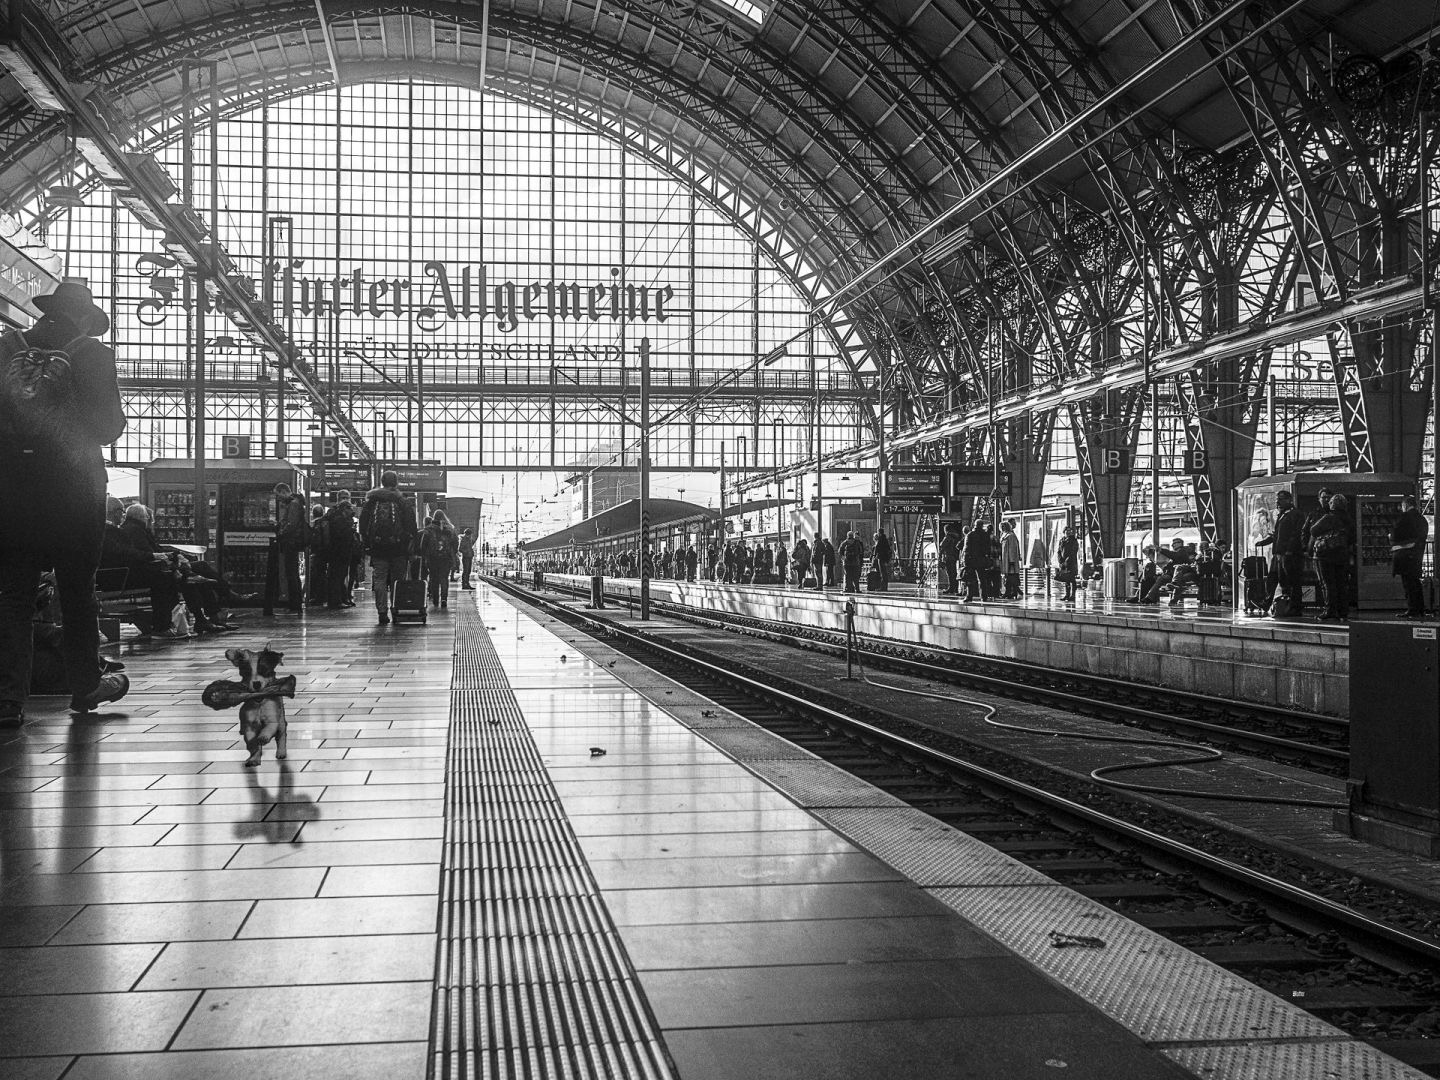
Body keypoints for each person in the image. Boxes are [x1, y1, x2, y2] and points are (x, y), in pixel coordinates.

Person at [0, 281, 130, 724]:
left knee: (14, 596)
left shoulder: (6, 348)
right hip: (74, 491)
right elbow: (109, 426)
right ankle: (85, 685)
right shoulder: (92, 354)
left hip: (13, 492)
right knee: (77, 592)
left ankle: (8, 699)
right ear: (83, 317)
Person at [359, 471, 419, 625]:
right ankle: (395, 609)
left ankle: (381, 611)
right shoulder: (401, 501)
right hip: (399, 548)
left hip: (378, 548)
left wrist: (367, 544)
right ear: (396, 483)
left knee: (379, 579)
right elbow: (412, 526)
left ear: (382, 482)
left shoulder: (372, 501)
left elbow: (363, 524)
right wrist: (410, 545)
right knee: (397, 581)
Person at [1255, 489, 1304, 616]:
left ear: (1289, 500)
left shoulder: (1295, 514)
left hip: (1288, 554)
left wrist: (1289, 550)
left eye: (1281, 500)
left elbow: (1296, 534)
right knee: (1272, 578)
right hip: (1278, 553)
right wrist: (1264, 542)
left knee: (1291, 581)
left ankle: (1294, 607)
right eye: (1277, 500)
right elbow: (1277, 535)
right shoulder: (1282, 515)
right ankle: (1267, 602)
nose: (1278, 503)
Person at [1309, 493, 1353, 621]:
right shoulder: (1348, 519)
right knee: (1341, 583)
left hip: (1325, 554)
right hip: (1342, 555)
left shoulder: (1329, 517)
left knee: (1327, 583)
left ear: (1333, 504)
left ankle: (1330, 610)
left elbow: (1313, 530)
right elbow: (1352, 537)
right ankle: (1343, 611)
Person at [1392, 493, 1429, 619]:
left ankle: (1412, 609)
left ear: (1406, 505)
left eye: (1403, 506)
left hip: (1405, 555)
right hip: (1417, 555)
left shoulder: (1405, 517)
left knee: (1408, 584)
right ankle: (1420, 609)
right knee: (1415, 583)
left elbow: (1395, 534)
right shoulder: (1422, 519)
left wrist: (1390, 537)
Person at [273, 483, 308, 613]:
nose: (278, 499)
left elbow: (291, 524)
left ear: (283, 491)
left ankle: (295, 604)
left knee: (291, 573)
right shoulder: (295, 503)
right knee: (292, 573)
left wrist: (281, 531)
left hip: (291, 542)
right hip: (293, 542)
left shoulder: (293, 504)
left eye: (278, 495)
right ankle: (296, 603)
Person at [321, 492, 359, 608]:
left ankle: (341, 599)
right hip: (340, 551)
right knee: (338, 575)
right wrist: (351, 529)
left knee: (337, 575)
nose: (351, 511)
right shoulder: (340, 519)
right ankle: (336, 601)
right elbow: (342, 535)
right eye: (349, 509)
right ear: (345, 509)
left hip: (334, 550)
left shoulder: (332, 514)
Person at [1301, 487, 1333, 615]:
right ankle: (1324, 605)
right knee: (1321, 580)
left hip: (1329, 552)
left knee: (1327, 581)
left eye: (1328, 497)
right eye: (1323, 497)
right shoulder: (1313, 514)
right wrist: (1305, 548)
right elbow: (1305, 531)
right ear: (1319, 499)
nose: (1326, 500)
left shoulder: (1334, 513)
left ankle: (1328, 607)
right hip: (1316, 552)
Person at [419, 509, 459, 609]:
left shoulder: (429, 529)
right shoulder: (450, 529)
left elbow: (423, 545)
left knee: (434, 578)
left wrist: (424, 556)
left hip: (432, 558)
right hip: (446, 558)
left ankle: (436, 599)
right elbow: (455, 544)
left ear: (434, 517)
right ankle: (444, 599)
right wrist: (452, 554)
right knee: (444, 578)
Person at [962, 522, 992, 602]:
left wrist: (965, 560)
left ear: (975, 525)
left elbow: (966, 549)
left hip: (971, 559)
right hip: (981, 559)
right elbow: (988, 548)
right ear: (982, 526)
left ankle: (969, 596)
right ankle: (984, 596)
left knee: (970, 579)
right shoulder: (985, 535)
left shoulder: (970, 534)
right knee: (982, 579)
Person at [1055, 525, 1080, 602]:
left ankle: (1073, 595)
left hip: (1071, 563)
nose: (1068, 532)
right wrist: (1060, 560)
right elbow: (1059, 551)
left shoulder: (1073, 540)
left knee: (1072, 579)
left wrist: (1067, 561)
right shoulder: (1062, 540)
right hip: (1063, 563)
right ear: (1064, 532)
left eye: (1070, 531)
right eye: (1067, 531)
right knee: (1066, 580)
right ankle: (1067, 594)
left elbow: (1073, 552)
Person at [998, 520, 1022, 599]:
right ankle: (1010, 592)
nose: (1002, 528)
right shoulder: (1005, 535)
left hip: (1010, 560)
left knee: (1011, 577)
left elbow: (1012, 549)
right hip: (1005, 560)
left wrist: (1011, 561)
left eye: (1003, 526)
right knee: (1007, 577)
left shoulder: (1010, 536)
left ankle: (1011, 592)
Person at [939, 522, 961, 596]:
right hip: (954, 557)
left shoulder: (947, 537)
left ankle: (951, 588)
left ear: (946, 530)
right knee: (954, 572)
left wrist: (940, 557)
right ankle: (955, 588)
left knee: (949, 573)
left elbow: (942, 546)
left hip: (948, 557)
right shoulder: (955, 537)